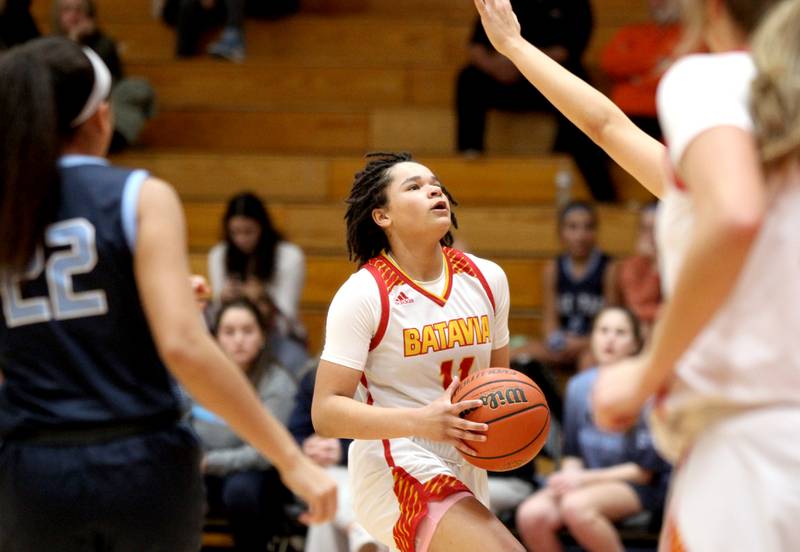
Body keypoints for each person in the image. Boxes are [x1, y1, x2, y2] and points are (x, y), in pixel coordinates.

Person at [473, 0, 800, 548]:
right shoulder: (741, 145)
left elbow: (735, 215)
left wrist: (645, 374)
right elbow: (606, 125)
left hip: (754, 444)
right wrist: (516, 46)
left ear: (712, 8)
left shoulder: (713, 78)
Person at [0, 37, 335, 552]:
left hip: (32, 473)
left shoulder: (8, 209)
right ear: (100, 118)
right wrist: (291, 461)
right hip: (139, 465)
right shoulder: (139, 195)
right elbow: (184, 348)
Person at [312, 152, 525, 552]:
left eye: (435, 183)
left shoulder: (486, 278)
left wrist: (511, 431)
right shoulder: (364, 294)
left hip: (466, 464)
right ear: (382, 217)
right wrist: (420, 422)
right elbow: (325, 412)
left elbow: (499, 386)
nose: (433, 190)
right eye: (413, 186)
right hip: (396, 462)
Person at [515, 306, 670, 552]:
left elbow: (644, 472)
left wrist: (582, 480)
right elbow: (572, 453)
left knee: (576, 507)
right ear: (593, 338)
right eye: (603, 331)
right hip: (586, 482)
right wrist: (567, 478)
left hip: (639, 486)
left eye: (620, 333)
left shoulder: (645, 390)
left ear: (635, 343)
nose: (610, 338)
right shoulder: (578, 386)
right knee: (531, 514)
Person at [456, 0, 616, 202]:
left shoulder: (576, 4)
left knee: (578, 85)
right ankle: (469, 154)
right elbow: (476, 45)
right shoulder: (505, 2)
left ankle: (602, 192)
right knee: (469, 79)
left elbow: (568, 51)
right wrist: (496, 65)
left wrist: (522, 61)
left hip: (550, 81)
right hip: (508, 78)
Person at [194, 298, 299, 551]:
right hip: (202, 469)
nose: (238, 340)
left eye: (248, 331)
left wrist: (209, 462)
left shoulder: (277, 383)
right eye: (229, 332)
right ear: (216, 338)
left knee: (241, 490)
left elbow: (266, 451)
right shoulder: (199, 376)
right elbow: (184, 426)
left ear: (262, 336)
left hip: (259, 473)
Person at [289, 364, 387, 552]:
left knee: (325, 514)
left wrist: (341, 449)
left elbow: (396, 433)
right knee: (327, 484)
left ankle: (358, 530)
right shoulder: (313, 376)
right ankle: (360, 529)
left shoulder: (387, 378)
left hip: (375, 465)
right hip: (323, 469)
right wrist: (307, 447)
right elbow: (295, 433)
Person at [512, 200, 617, 372]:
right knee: (515, 353)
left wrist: (581, 343)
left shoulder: (609, 268)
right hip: (562, 344)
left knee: (588, 361)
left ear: (596, 232)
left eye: (588, 227)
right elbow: (549, 320)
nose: (580, 235)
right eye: (573, 227)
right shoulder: (552, 269)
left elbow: (611, 322)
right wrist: (557, 341)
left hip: (593, 344)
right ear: (561, 233)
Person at [51, 0, 157, 152]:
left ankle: (112, 138)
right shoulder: (48, 45)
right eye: (67, 10)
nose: (73, 16)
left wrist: (82, 40)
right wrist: (73, 40)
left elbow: (98, 79)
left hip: (102, 103)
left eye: (79, 10)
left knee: (137, 88)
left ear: (89, 16)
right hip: (64, 110)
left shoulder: (103, 43)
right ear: (58, 15)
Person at [208, 191, 306, 342]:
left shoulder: (289, 256)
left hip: (278, 337)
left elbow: (288, 316)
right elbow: (214, 315)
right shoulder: (219, 254)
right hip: (232, 334)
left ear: (262, 228)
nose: (241, 239)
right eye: (235, 232)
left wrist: (263, 298)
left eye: (248, 231)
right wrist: (222, 298)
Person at [598, 0, 683, 139]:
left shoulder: (689, 37)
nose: (658, 3)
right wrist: (656, 65)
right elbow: (609, 62)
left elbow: (681, 75)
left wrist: (637, 75)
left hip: (670, 113)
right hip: (628, 113)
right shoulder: (632, 32)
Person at [614, 202, 661, 337]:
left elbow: (680, 308)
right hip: (637, 328)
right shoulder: (632, 265)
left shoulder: (676, 262)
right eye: (645, 229)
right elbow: (636, 306)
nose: (650, 236)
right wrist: (654, 265)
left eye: (655, 229)